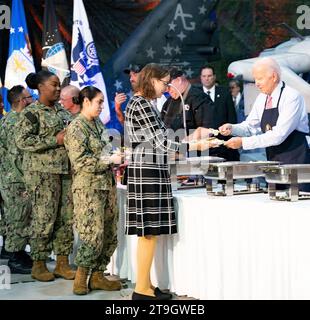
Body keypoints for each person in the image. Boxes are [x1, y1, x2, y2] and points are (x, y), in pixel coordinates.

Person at [125, 63, 179, 300]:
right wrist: (193, 145)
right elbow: (161, 142)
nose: (166, 88)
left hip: (148, 169)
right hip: (147, 171)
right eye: (165, 83)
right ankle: (141, 290)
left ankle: (145, 285)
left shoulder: (142, 103)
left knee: (149, 233)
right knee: (147, 233)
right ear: (152, 80)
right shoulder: (142, 104)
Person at [15, 70, 75, 282]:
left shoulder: (62, 111)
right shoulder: (32, 113)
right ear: (40, 87)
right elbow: (22, 142)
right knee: (44, 218)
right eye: (54, 85)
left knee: (66, 218)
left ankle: (62, 262)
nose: (58, 89)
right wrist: (54, 140)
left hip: (65, 172)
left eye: (60, 85)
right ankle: (38, 263)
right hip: (42, 174)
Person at [64, 86, 122, 295]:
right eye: (99, 102)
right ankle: (81, 277)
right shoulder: (76, 127)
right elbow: (79, 161)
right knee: (92, 233)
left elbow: (104, 148)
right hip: (88, 189)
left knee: (108, 231)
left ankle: (98, 275)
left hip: (106, 185)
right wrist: (108, 159)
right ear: (86, 102)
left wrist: (116, 155)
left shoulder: (97, 123)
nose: (101, 106)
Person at [220, 58, 310, 187]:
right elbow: (250, 126)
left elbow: (279, 135)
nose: (256, 83)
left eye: (260, 78)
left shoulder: (291, 96)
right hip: (274, 162)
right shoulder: (262, 98)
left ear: (273, 77)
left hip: (296, 162)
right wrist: (232, 128)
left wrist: (243, 143)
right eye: (255, 79)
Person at [0, 86, 33, 273]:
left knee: (13, 217)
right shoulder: (17, 123)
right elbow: (18, 154)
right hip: (16, 178)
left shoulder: (6, 120)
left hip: (8, 177)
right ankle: (15, 257)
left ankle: (15, 252)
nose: (32, 100)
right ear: (22, 101)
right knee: (18, 218)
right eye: (29, 97)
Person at [199, 64, 239, 160]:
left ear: (214, 77)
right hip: (203, 144)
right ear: (200, 78)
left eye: (209, 76)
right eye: (204, 76)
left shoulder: (225, 93)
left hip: (224, 143)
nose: (206, 79)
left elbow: (232, 117)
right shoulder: (196, 94)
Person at [161, 66, 214, 134]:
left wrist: (188, 141)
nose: (167, 90)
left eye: (168, 85)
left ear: (179, 80)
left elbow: (207, 130)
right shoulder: (169, 101)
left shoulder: (200, 98)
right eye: (164, 86)